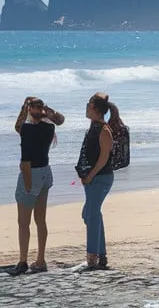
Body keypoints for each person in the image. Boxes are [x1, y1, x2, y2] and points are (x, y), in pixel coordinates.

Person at [11, 97, 64, 276]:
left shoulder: (27, 128)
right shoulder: (50, 127)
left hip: (30, 172)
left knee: (23, 222)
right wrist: (48, 111)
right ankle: (40, 259)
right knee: (40, 219)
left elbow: (18, 127)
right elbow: (60, 119)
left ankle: (22, 260)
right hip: (45, 172)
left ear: (29, 109)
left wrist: (23, 108)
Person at [75, 92, 125, 272]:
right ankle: (101, 255)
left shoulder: (104, 130)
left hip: (101, 177)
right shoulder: (94, 127)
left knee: (92, 214)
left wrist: (90, 175)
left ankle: (92, 256)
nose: (86, 107)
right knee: (90, 214)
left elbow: (104, 157)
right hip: (94, 177)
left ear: (95, 109)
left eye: (89, 105)